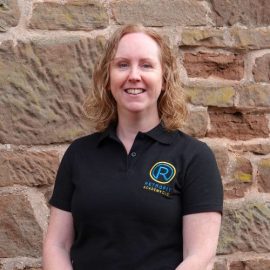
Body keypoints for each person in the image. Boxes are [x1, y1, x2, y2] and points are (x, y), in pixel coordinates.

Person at [43, 24, 223, 270]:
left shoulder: (193, 156)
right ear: (108, 79)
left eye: (146, 65)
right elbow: (57, 245)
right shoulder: (79, 154)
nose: (134, 75)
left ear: (165, 79)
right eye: (122, 64)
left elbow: (200, 255)